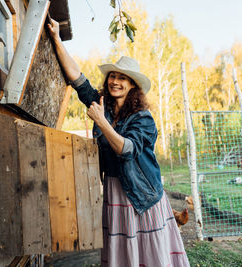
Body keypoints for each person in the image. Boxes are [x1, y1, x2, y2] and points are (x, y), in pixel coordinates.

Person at [48, 19, 190, 267]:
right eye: (112, 76)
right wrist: (57, 39)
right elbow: (77, 79)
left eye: (122, 78)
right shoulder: (104, 105)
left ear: (133, 85)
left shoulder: (143, 119)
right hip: (115, 189)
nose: (115, 81)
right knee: (123, 251)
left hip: (143, 195)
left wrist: (101, 122)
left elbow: (126, 150)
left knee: (150, 253)